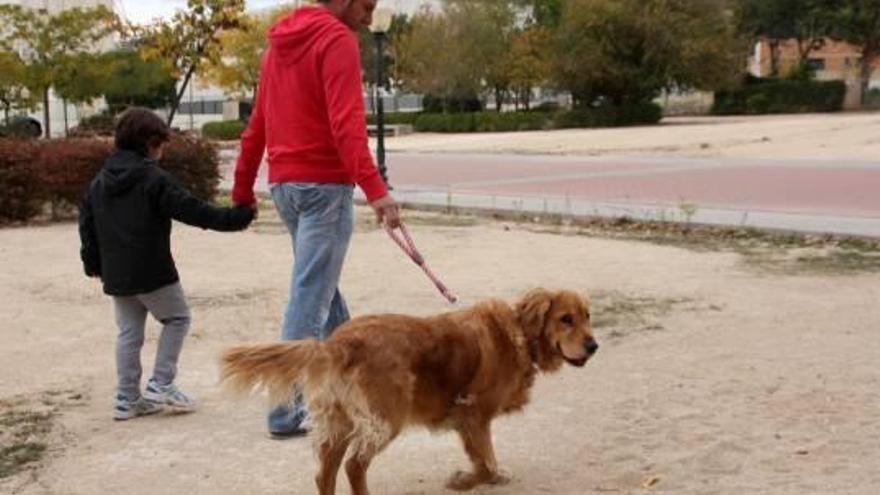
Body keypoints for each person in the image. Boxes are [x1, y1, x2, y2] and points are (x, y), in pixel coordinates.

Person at [231, 0, 401, 438]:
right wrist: (377, 191)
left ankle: (352, 382)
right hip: (324, 187)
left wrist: (243, 187)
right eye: (367, 5)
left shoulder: (276, 49)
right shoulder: (336, 39)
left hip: (285, 186)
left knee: (323, 291)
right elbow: (347, 125)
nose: (368, 16)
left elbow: (258, 126)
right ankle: (285, 411)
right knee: (310, 296)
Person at [79, 107, 255, 421]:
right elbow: (193, 210)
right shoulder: (152, 178)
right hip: (153, 269)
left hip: (116, 273)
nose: (162, 149)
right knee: (177, 319)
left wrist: (93, 263)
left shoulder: (100, 180)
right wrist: (237, 217)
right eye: (161, 143)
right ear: (149, 143)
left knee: (129, 333)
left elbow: (87, 224)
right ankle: (161, 384)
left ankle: (126, 398)